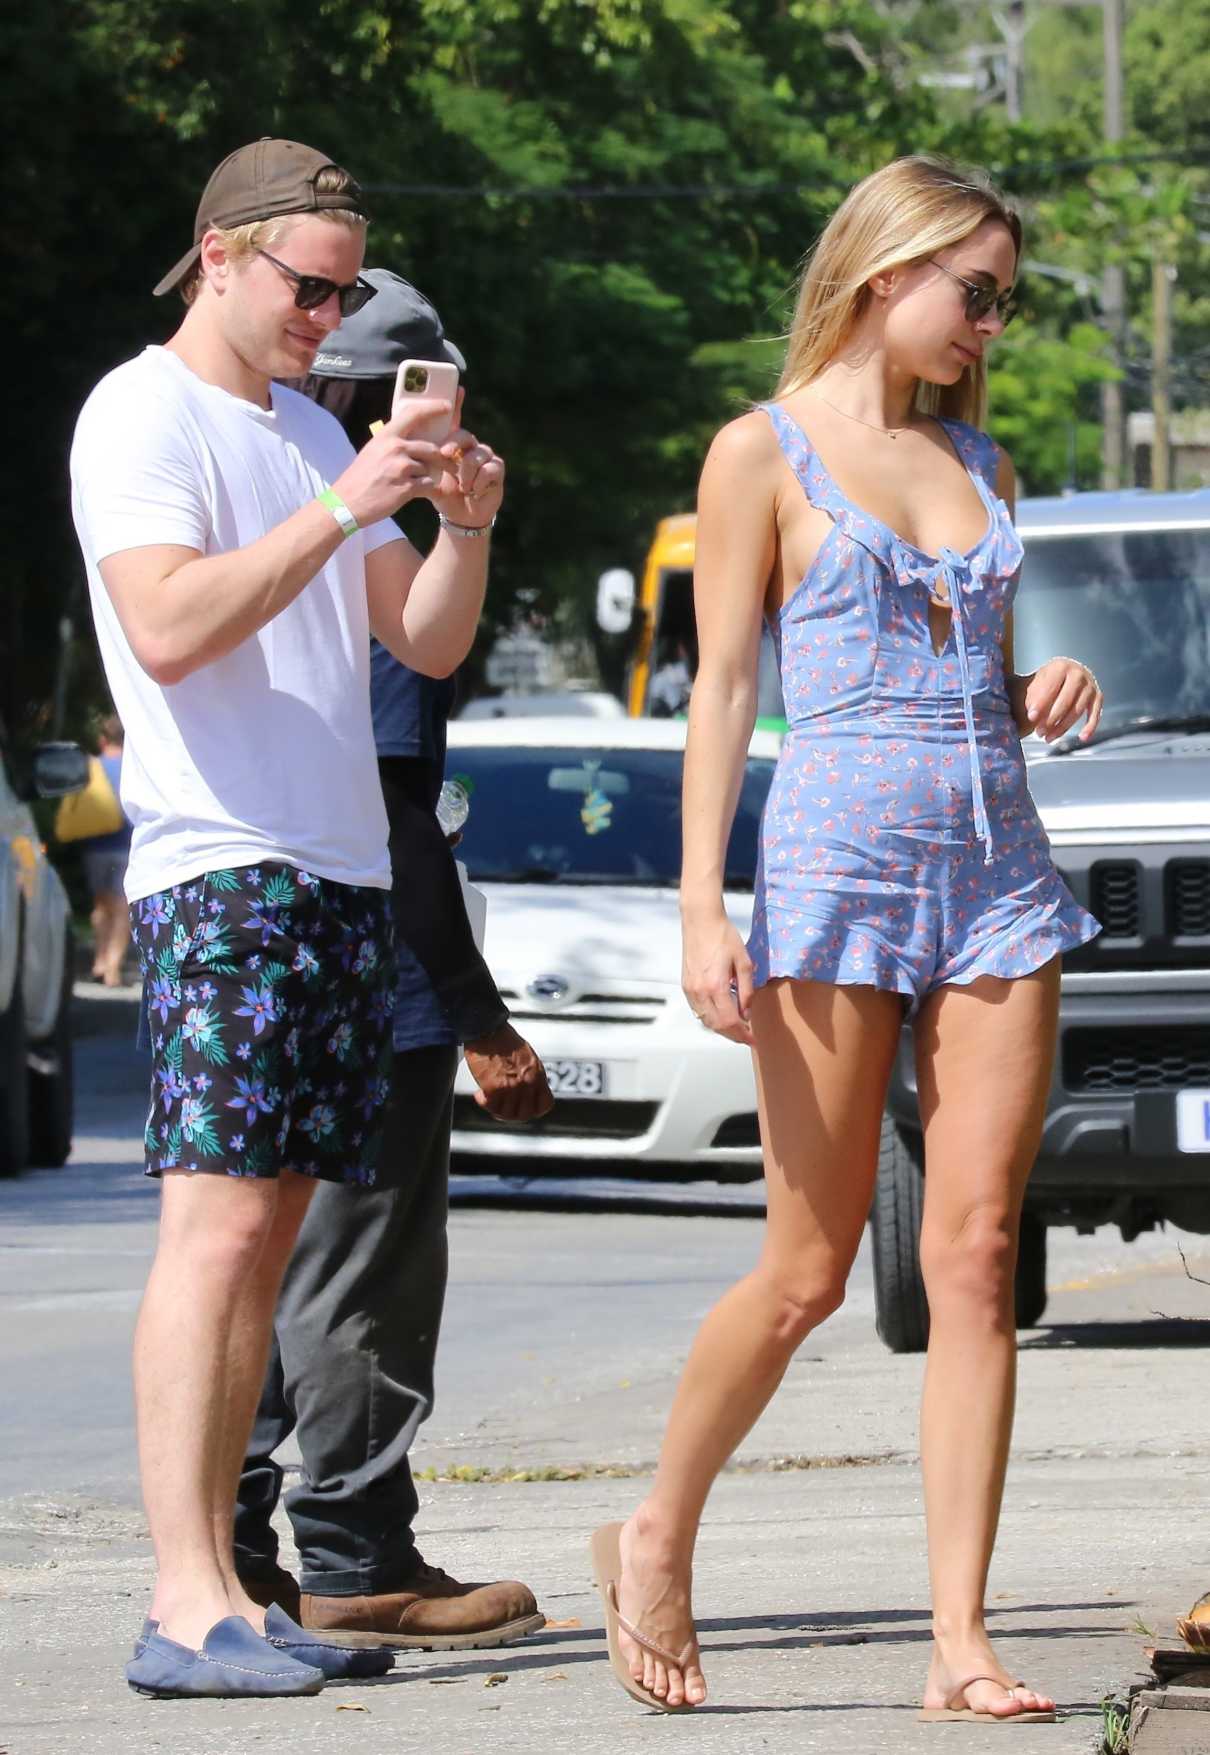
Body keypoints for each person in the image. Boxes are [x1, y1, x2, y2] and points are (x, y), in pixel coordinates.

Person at [590, 154, 1103, 1722]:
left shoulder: (983, 459)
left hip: (995, 874)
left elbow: (976, 671)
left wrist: (1033, 692)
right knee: (808, 1268)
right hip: (833, 873)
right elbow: (726, 694)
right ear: (890, 268)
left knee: (973, 1254)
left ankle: (958, 1638)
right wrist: (700, 904)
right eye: (977, 289)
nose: (988, 322)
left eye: (1002, 298)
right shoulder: (760, 452)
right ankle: (657, 1530)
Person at [69, 137, 504, 1699]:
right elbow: (172, 626)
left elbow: (427, 642)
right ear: (221, 255)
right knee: (217, 1225)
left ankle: (236, 1594)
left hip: (335, 872)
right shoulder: (144, 410)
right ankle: (189, 1595)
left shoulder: (305, 429)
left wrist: (459, 519)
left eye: (349, 289)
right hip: (228, 866)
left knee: (268, 1244)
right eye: (311, 285)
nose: (331, 314)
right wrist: (344, 502)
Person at [233, 270, 553, 1649]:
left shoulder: (276, 516)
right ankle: (356, 1548)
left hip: (281, 953)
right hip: (374, 977)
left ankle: (240, 1549)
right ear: (366, 403)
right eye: (423, 393)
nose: (444, 420)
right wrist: (482, 1020)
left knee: (259, 1268)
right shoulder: (368, 563)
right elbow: (401, 816)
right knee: (359, 1279)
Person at [80, 715, 133, 986]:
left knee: (101, 905)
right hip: (126, 845)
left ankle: (99, 959)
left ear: (102, 739)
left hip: (96, 846)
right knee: (122, 908)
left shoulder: (92, 767)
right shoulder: (135, 766)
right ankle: (113, 966)